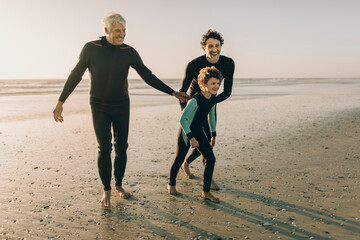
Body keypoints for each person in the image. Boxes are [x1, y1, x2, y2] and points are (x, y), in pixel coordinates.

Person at [53, 12, 189, 208]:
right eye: (118, 31)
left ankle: (118, 185)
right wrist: (61, 101)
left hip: (122, 105)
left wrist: (173, 93)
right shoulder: (91, 49)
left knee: (121, 148)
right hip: (98, 105)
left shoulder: (129, 52)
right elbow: (75, 75)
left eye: (124, 31)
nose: (122, 34)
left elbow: (147, 76)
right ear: (107, 30)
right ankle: (106, 190)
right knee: (104, 148)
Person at [179, 30, 235, 190]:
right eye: (210, 46)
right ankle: (183, 166)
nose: (214, 49)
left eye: (217, 45)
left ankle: (201, 174)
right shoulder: (194, 64)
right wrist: (186, 113)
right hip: (193, 106)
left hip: (210, 105)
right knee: (191, 142)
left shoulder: (228, 63)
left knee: (208, 142)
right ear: (204, 48)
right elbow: (182, 92)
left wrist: (210, 103)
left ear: (221, 46)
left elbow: (227, 92)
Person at [168, 66, 223, 203]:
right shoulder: (195, 100)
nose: (216, 87)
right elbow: (183, 119)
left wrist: (213, 135)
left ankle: (206, 192)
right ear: (203, 85)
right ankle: (171, 184)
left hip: (200, 132)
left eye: (218, 84)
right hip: (187, 133)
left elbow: (211, 118)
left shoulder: (212, 99)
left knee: (210, 158)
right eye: (213, 84)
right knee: (179, 158)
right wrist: (191, 137)